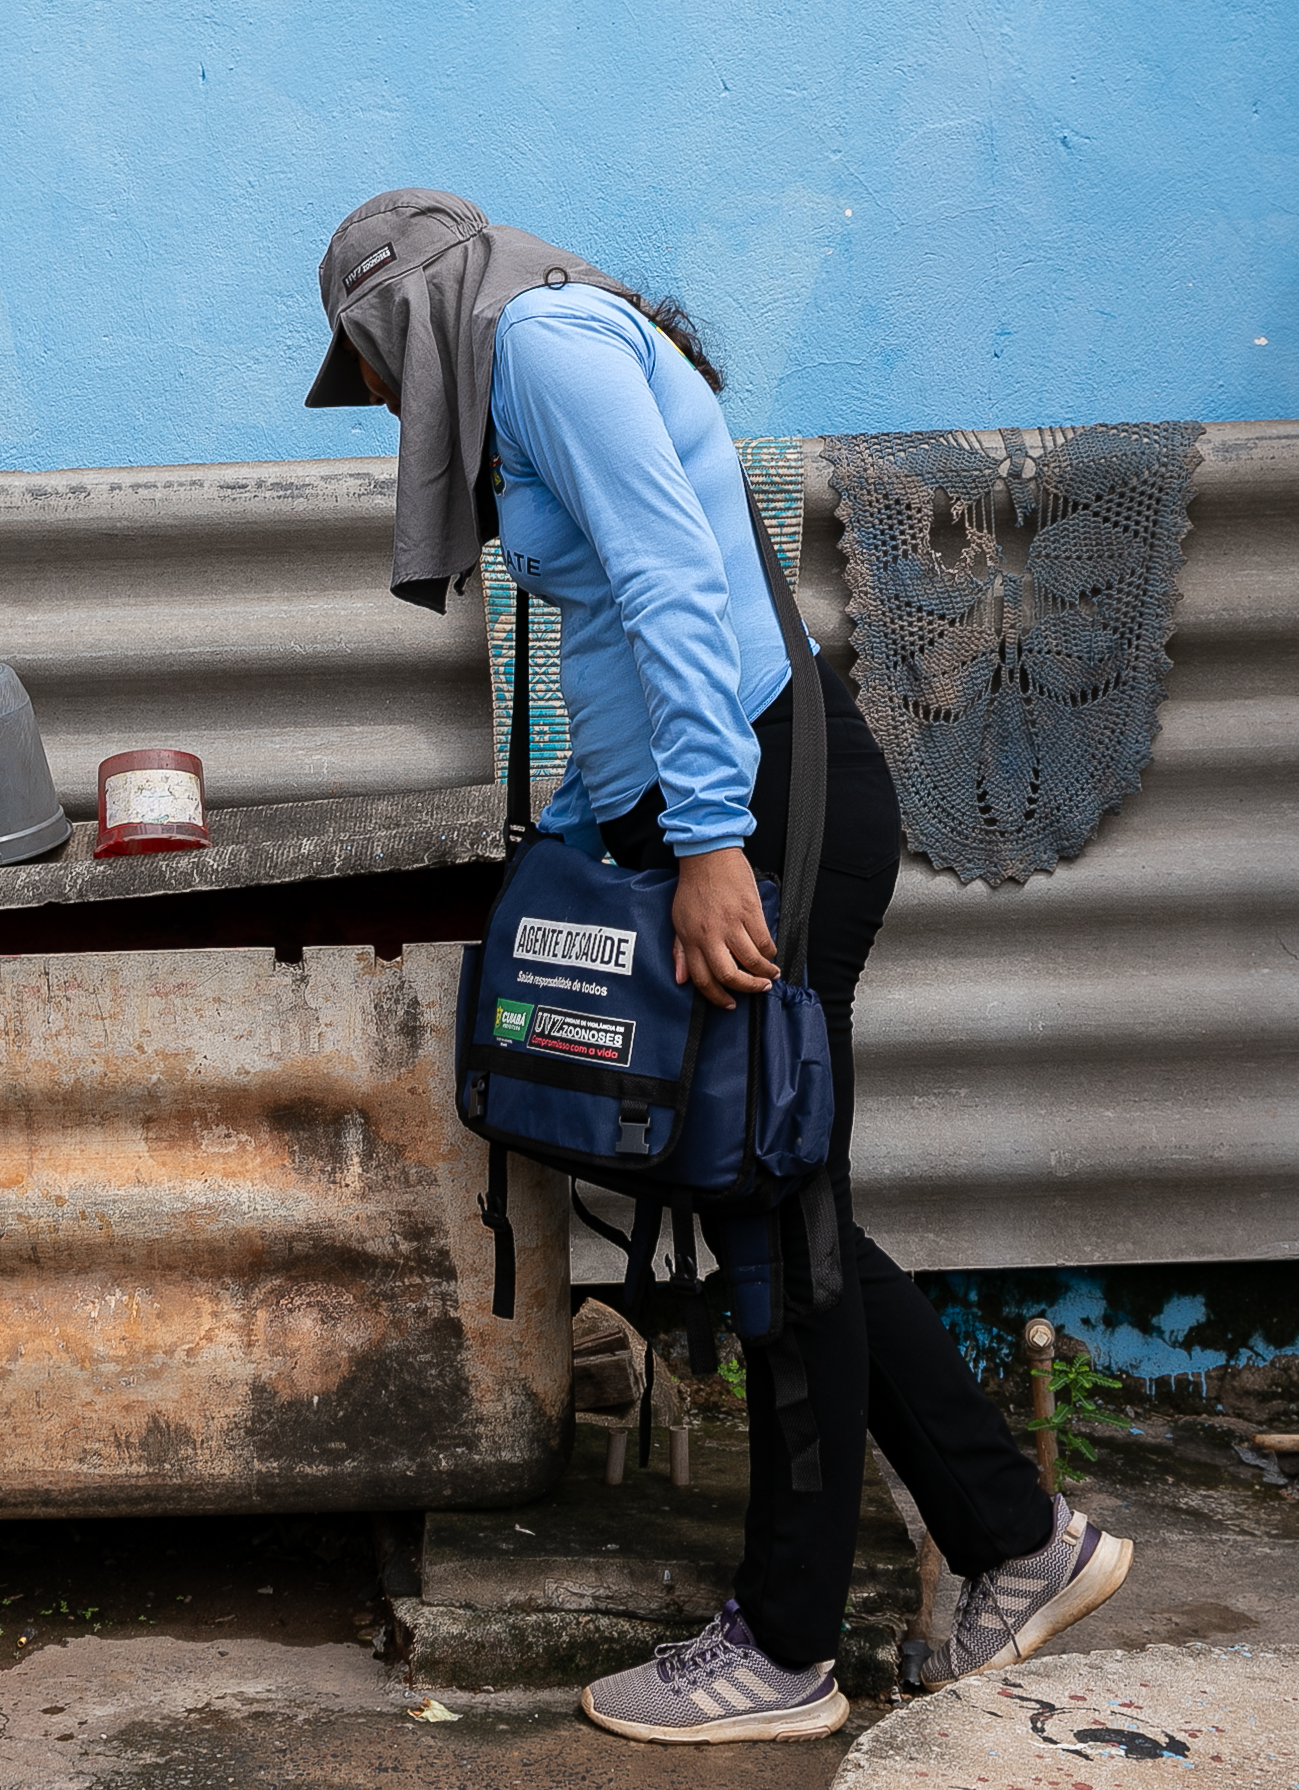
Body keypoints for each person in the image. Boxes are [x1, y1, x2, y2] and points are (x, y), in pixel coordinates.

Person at [304, 189, 1134, 1744]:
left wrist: (701, 846)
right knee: (780, 1188)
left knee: (778, 1229)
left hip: (762, 806)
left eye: (372, 362)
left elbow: (684, 585)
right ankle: (1022, 1542)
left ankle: (785, 1647)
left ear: (411, 310)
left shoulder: (540, 343)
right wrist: (583, 835)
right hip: (727, 800)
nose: (387, 404)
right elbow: (619, 635)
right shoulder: (534, 354)